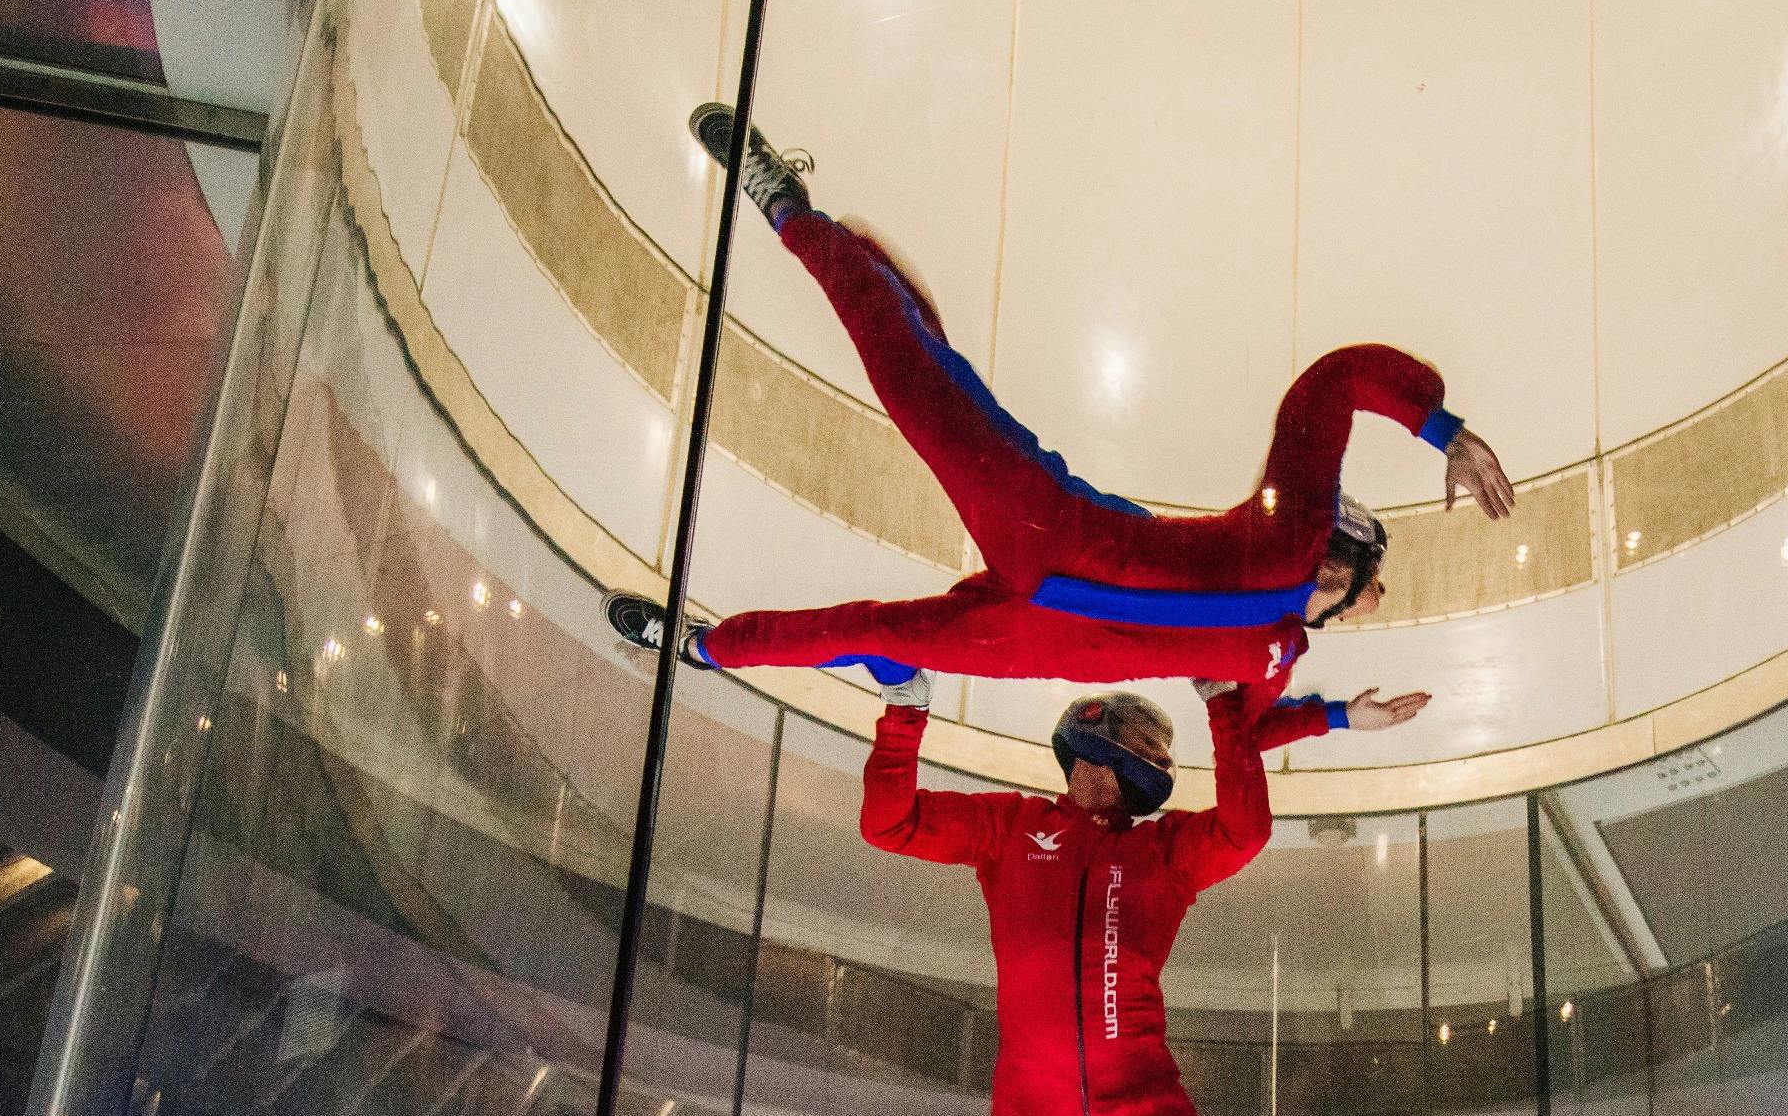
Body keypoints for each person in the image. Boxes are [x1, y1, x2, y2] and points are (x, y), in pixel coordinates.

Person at [611, 103, 1514, 708]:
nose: (1378, 603)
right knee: (907, 374)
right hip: (1053, 530)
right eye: (1377, 586)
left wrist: (1341, 724)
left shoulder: (1275, 659)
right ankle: (789, 208)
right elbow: (1336, 379)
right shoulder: (1282, 535)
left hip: (1039, 642)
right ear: (1343, 561)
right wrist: (1445, 429)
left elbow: (1249, 739)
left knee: (872, 629)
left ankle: (698, 649)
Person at [865, 670, 1420, 1116]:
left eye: (1162, 745)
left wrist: (1227, 708)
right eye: (1146, 738)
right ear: (1095, 732)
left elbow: (1246, 830)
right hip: (1034, 1107)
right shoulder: (1011, 826)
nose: (1158, 752)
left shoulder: (1164, 850)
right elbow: (890, 824)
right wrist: (906, 709)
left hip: (1140, 1094)